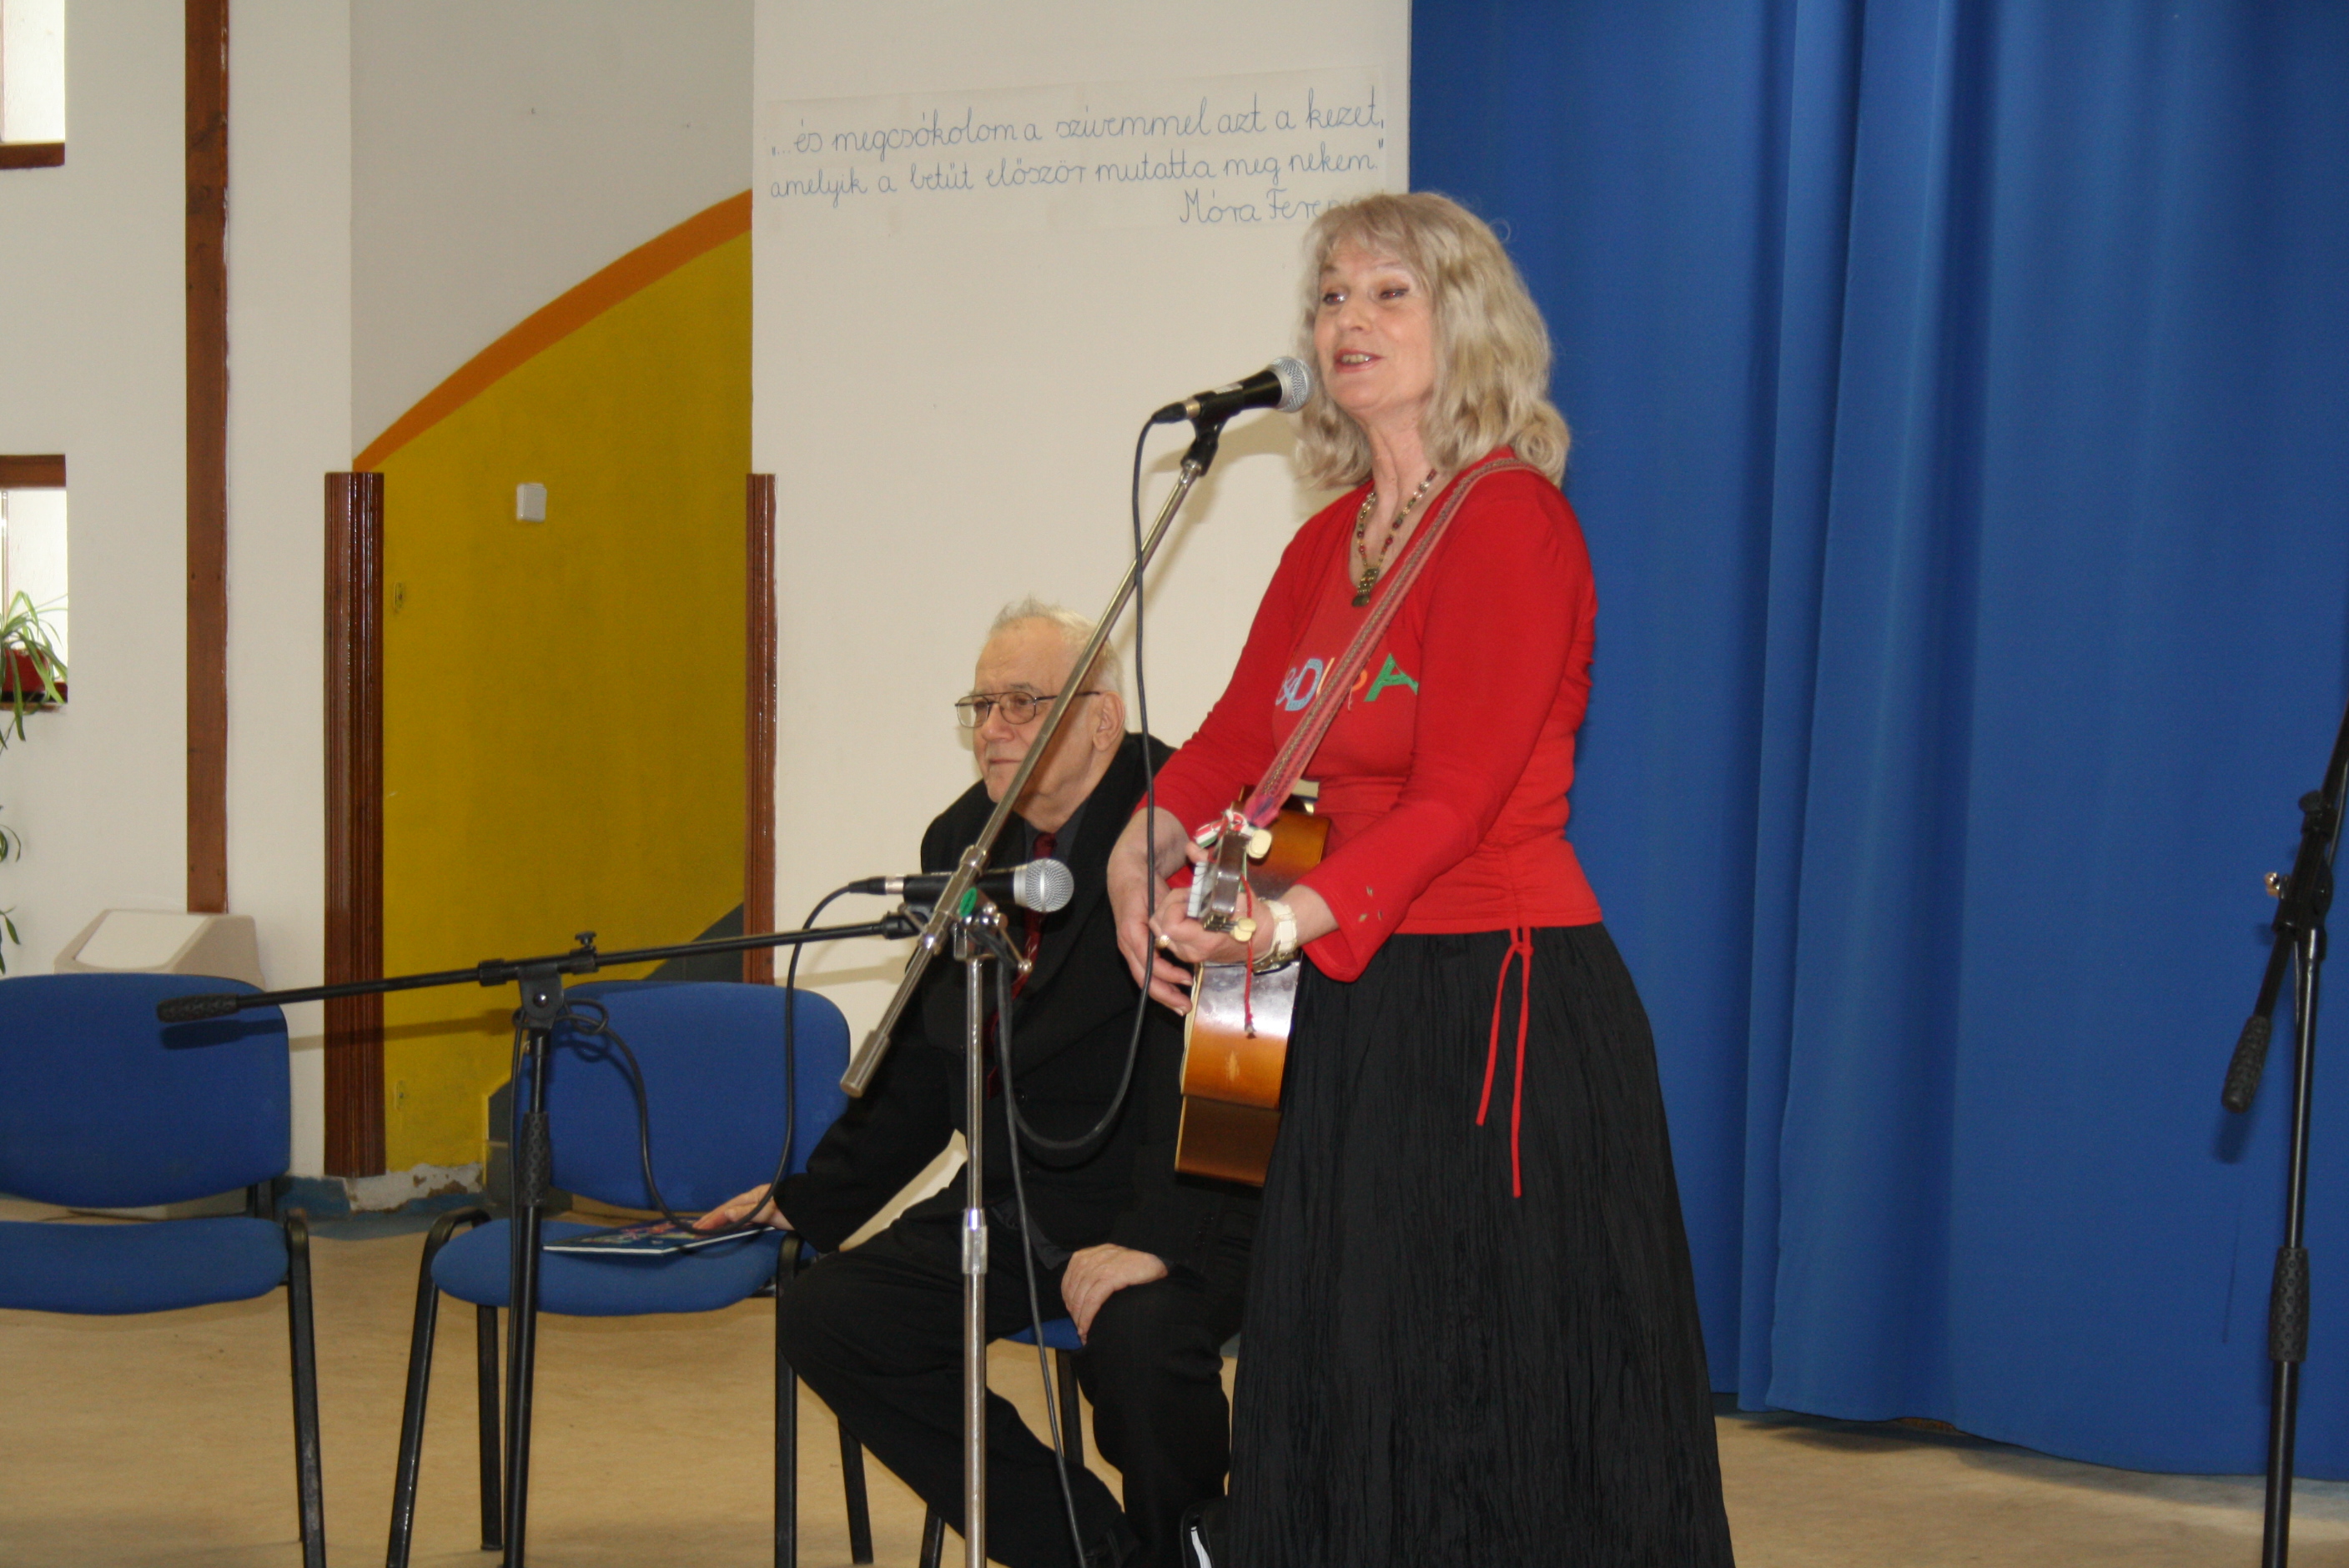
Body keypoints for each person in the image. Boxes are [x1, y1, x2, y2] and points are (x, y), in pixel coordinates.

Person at [1106, 193, 1735, 1565]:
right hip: (1346, 999)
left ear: (1469, 321)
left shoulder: (1511, 524)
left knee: (1481, 1382)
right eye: (1332, 296)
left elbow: (1458, 797)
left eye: (1389, 292)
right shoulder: (1323, 543)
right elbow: (1233, 743)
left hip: (1490, 1003)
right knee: (1346, 1358)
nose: (1350, 319)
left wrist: (1282, 917)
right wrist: (1139, 841)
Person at [699, 601, 1256, 1568]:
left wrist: (1154, 1240)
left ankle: (1187, 1548)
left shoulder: (1184, 827)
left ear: (1100, 719)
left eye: (1020, 702)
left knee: (1138, 1347)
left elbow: (1229, 1059)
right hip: (1020, 1200)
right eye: (980, 705)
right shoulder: (964, 839)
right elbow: (930, 1053)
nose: (992, 727)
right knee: (834, 1315)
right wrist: (811, 1198)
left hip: (1178, 1197)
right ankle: (1095, 1553)